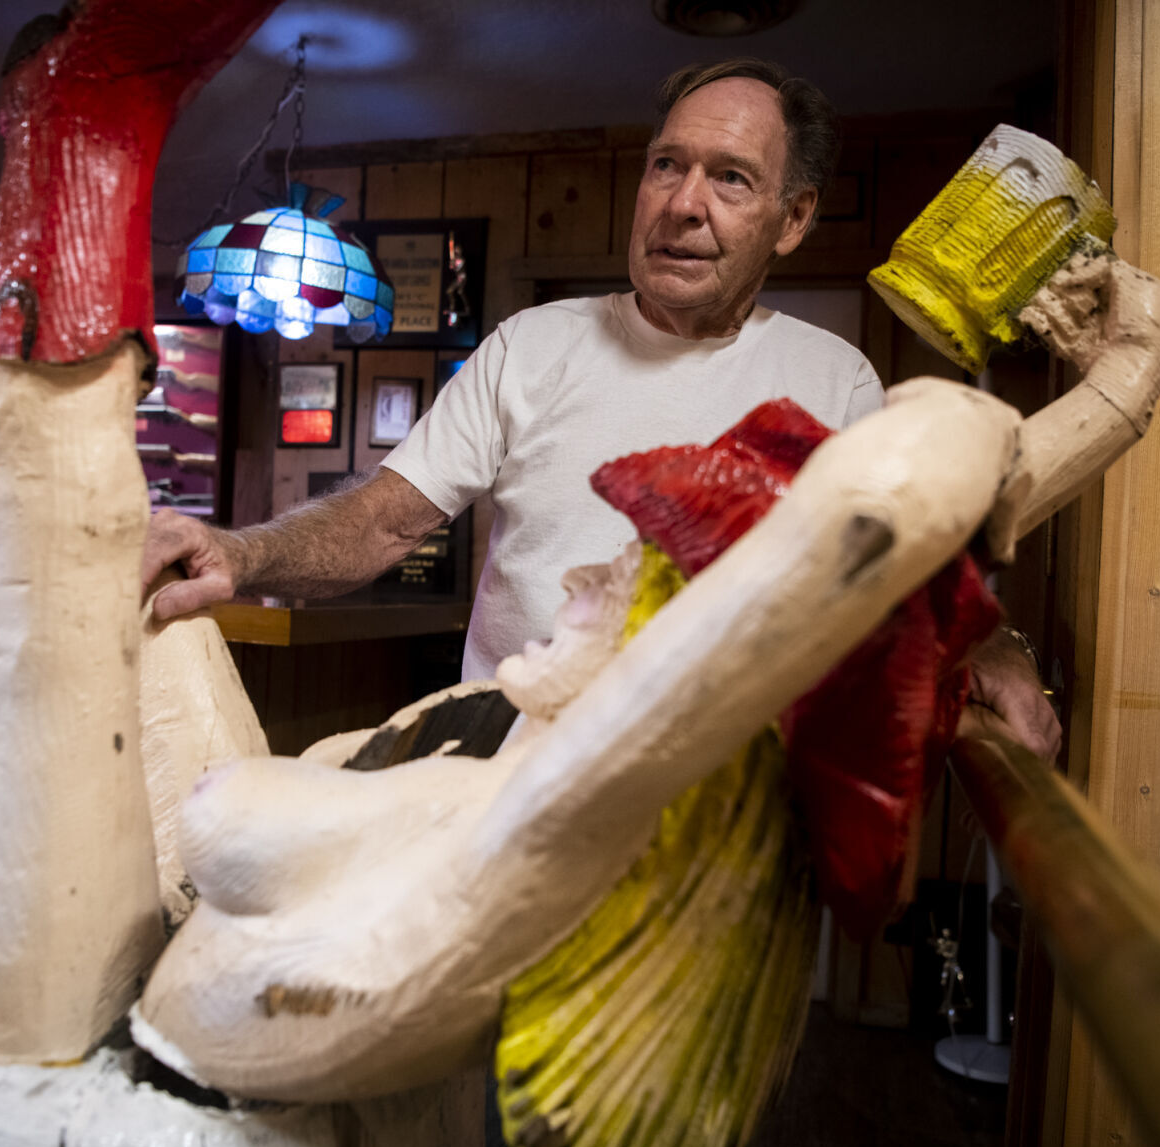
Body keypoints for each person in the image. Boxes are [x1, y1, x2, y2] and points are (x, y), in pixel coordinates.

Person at [142, 58, 1061, 762]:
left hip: (709, 815)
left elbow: (909, 579)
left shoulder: (837, 381)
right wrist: (241, 551)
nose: (682, 205)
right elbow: (383, 523)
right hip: (498, 789)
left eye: (731, 178)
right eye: (668, 166)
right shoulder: (530, 347)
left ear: (792, 219)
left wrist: (1000, 648)